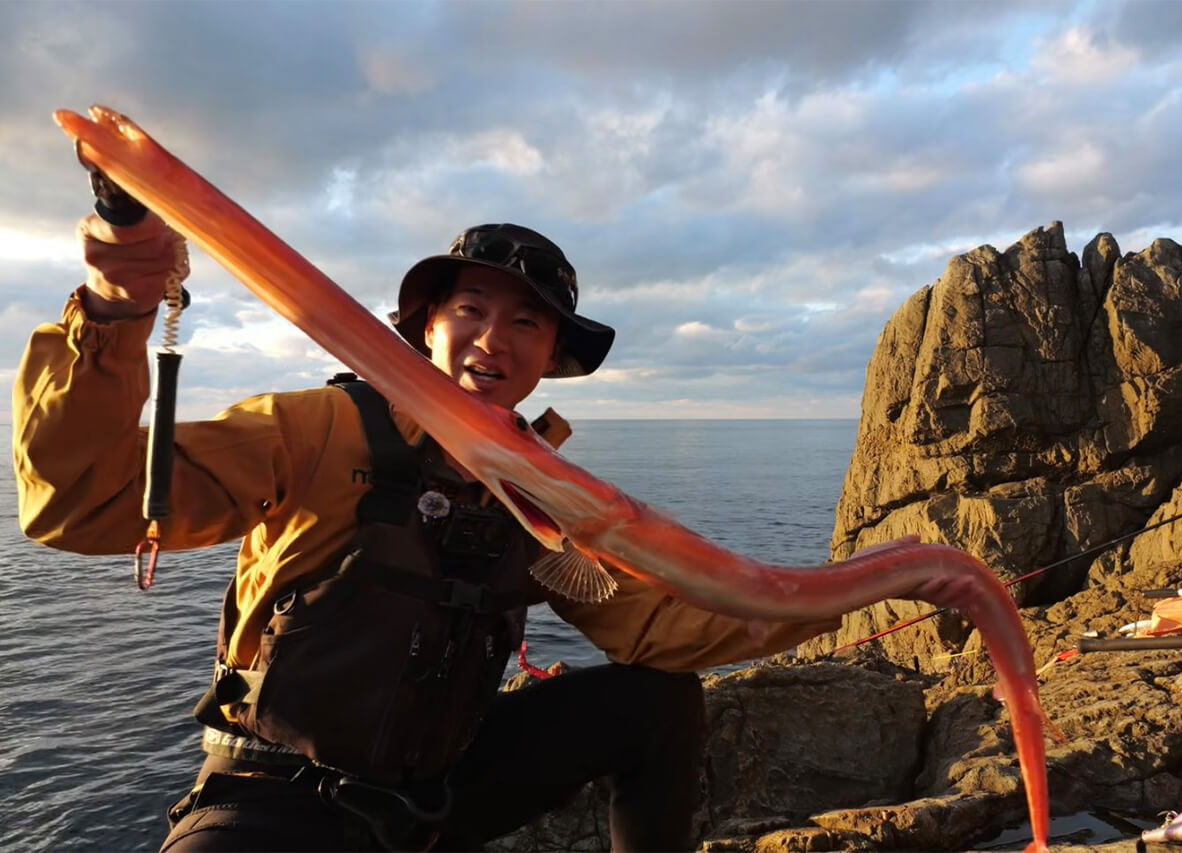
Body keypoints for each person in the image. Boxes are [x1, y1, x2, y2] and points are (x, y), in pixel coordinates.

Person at [13, 209, 841, 852]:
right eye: (471, 308)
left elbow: (651, 625)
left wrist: (834, 600)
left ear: (551, 353)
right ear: (428, 325)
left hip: (435, 799)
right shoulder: (322, 428)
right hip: (274, 797)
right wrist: (117, 303)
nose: (493, 339)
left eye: (526, 322)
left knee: (654, 701)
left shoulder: (542, 493)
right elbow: (81, 498)